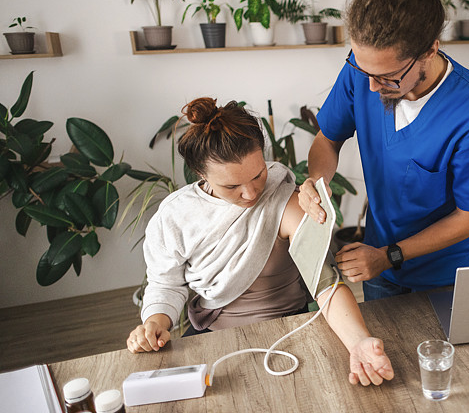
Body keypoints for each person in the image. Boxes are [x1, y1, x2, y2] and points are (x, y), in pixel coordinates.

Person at [126, 98, 394, 387]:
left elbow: (325, 284)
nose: (251, 192)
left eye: (258, 174)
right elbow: (165, 284)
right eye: (231, 186)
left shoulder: (283, 198)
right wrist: (155, 323)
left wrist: (359, 342)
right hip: (212, 332)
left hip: (287, 329)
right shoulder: (176, 216)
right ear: (201, 174)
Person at [298, 0, 469, 301]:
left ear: (429, 50)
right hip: (378, 264)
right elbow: (327, 139)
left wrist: (388, 256)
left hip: (444, 275)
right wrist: (316, 184)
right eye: (362, 69)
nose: (370, 87)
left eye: (386, 77)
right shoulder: (360, 74)